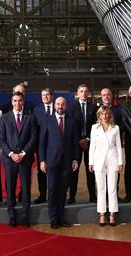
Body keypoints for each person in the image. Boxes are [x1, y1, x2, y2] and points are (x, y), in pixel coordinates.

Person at [39, 97, 79, 229]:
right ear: (54, 105)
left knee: (62, 191)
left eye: (62, 104)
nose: (60, 106)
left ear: (66, 106)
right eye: (58, 104)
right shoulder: (47, 120)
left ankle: (61, 218)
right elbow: (42, 143)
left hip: (67, 162)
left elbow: (75, 143)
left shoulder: (71, 121)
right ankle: (53, 219)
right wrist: (42, 160)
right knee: (52, 190)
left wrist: (75, 159)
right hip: (51, 161)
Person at [0, 91, 37, 228]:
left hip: (25, 159)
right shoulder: (5, 118)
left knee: (26, 189)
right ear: (11, 102)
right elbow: (1, 139)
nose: (17, 103)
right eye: (15, 101)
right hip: (9, 160)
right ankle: (12, 217)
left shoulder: (30, 118)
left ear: (23, 102)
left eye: (20, 100)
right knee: (10, 189)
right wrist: (11, 154)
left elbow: (33, 138)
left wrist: (23, 153)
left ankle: (26, 217)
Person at [89, 106, 124, 227]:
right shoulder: (94, 128)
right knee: (101, 188)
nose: (104, 116)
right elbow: (92, 146)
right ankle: (102, 214)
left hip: (113, 160)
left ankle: (112, 214)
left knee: (112, 188)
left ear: (110, 115)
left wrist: (120, 162)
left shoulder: (116, 128)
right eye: (102, 114)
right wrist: (90, 162)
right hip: (98, 160)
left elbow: (119, 146)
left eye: (106, 113)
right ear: (99, 115)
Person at [67, 84, 97, 203]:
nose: (83, 93)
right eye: (81, 91)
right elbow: (70, 126)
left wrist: (88, 139)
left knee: (91, 170)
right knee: (74, 170)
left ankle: (92, 196)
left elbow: (96, 125)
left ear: (88, 93)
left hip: (90, 143)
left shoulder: (93, 107)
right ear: (77, 93)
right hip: (76, 143)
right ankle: (72, 196)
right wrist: (79, 139)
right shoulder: (71, 107)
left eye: (85, 91)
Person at [33, 88, 54, 204]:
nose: (45, 97)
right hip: (41, 146)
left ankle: (53, 195)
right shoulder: (37, 110)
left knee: (54, 171)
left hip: (54, 146)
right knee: (41, 171)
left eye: (47, 95)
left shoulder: (57, 108)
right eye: (43, 95)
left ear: (52, 96)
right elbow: (34, 129)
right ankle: (42, 195)